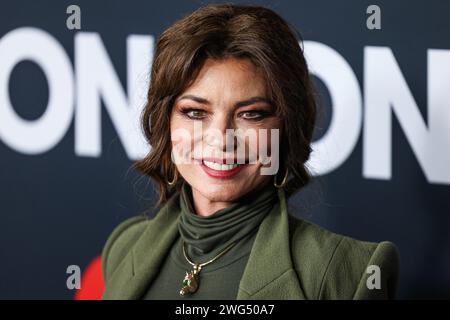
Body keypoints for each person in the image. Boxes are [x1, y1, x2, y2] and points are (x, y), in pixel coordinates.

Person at [101, 3, 399, 300]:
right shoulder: (124, 247)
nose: (221, 139)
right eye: (194, 112)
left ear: (287, 128)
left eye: (252, 114)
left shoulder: (346, 274)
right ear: (165, 122)